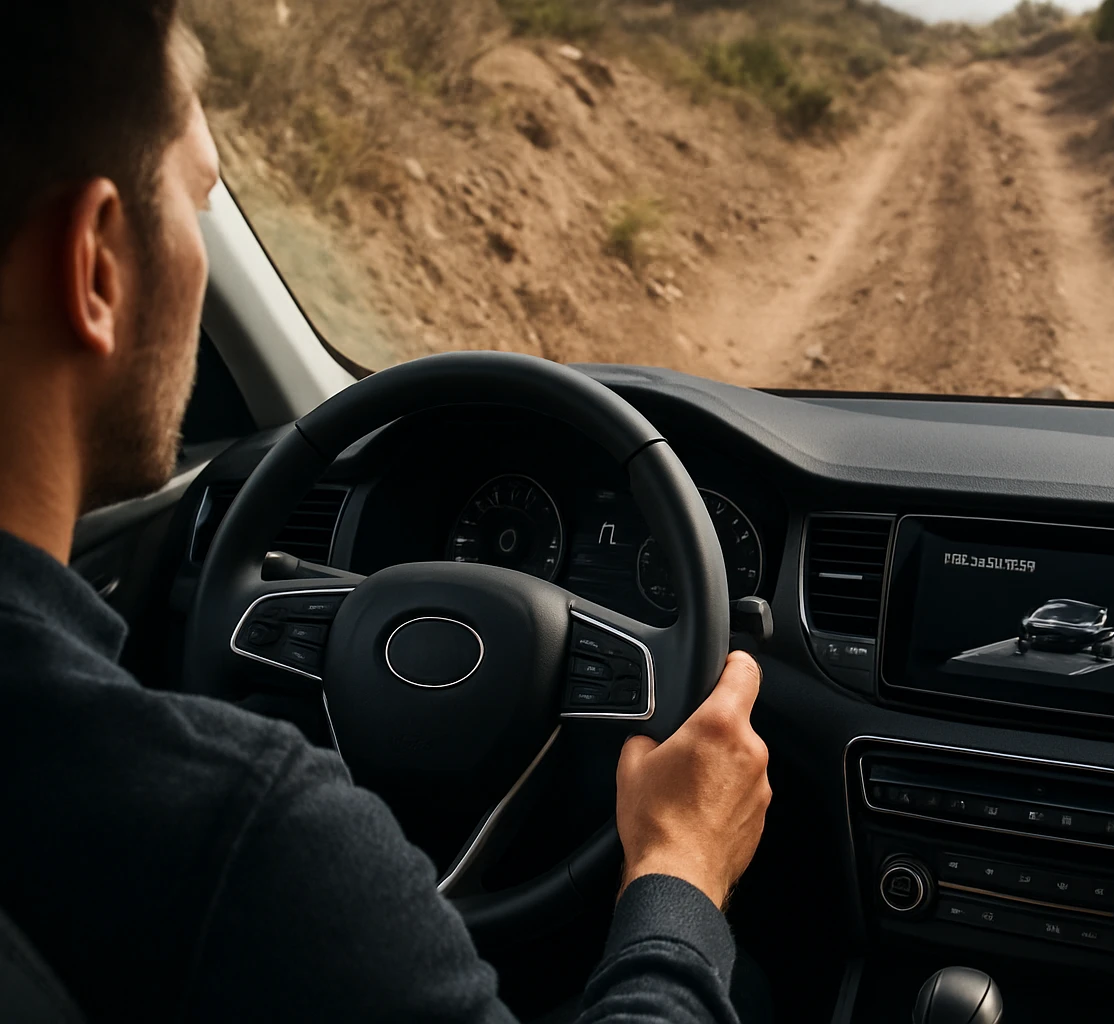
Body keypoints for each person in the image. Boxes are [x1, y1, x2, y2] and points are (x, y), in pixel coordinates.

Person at [0, 3, 772, 1022]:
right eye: (199, 202)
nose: (198, 241)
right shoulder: (247, 840)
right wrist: (680, 868)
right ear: (96, 268)